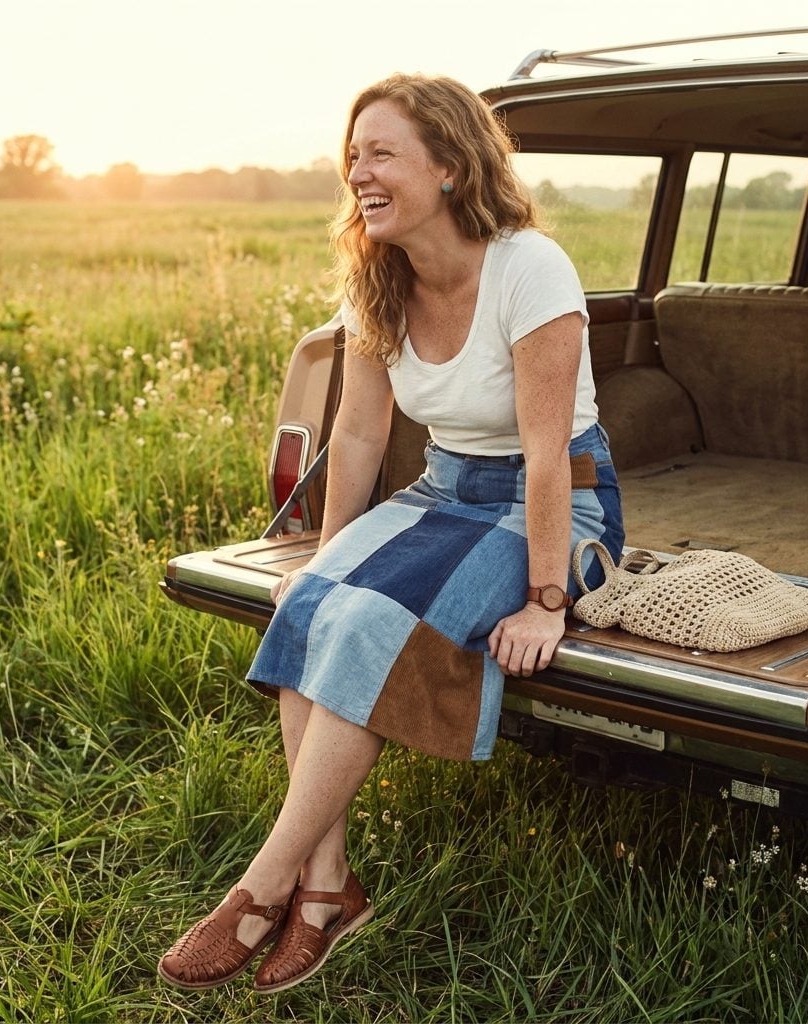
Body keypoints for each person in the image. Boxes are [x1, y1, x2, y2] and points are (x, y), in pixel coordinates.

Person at [158, 71, 624, 995]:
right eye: (352, 156)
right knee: (314, 607)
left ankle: (264, 885)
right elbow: (362, 437)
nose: (357, 172)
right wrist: (324, 561)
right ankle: (329, 887)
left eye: (381, 154)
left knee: (371, 624)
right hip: (442, 486)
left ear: (450, 167)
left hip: (556, 499)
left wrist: (544, 601)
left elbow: (542, 457)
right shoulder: (376, 278)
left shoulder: (531, 268)